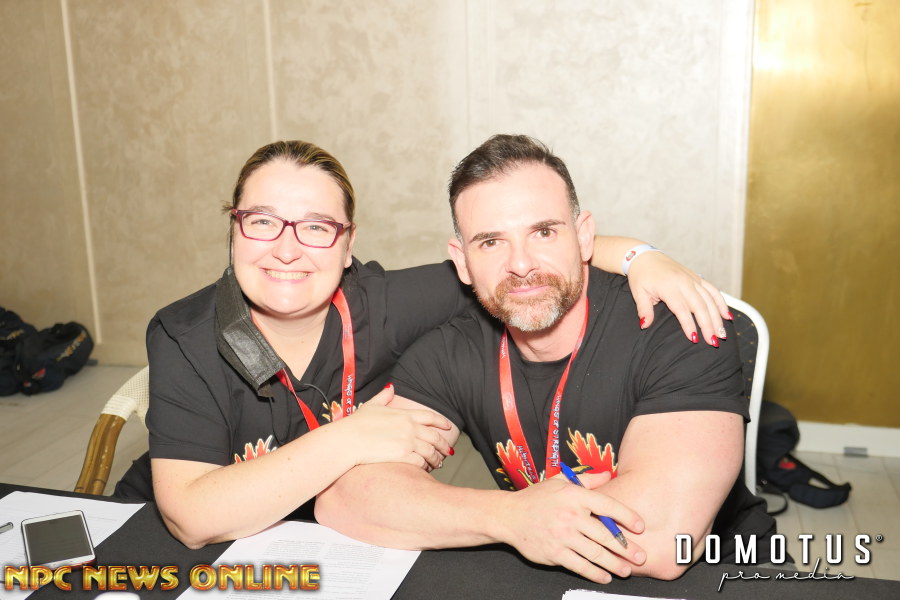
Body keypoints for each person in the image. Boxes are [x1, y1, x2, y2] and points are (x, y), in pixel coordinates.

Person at [141, 140, 733, 549]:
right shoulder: (185, 334)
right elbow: (198, 517)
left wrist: (641, 257)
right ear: (234, 229)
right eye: (262, 221)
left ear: (348, 246)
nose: (287, 249)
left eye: (317, 227)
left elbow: (520, 270)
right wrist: (351, 438)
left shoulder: (390, 304)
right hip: (211, 548)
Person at [315, 135, 776, 583]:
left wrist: (501, 519)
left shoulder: (679, 326)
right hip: (548, 574)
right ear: (462, 261)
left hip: (729, 575)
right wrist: (510, 517)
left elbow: (659, 540)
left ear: (584, 236)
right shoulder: (449, 351)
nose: (521, 264)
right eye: (491, 242)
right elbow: (345, 500)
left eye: (544, 232)